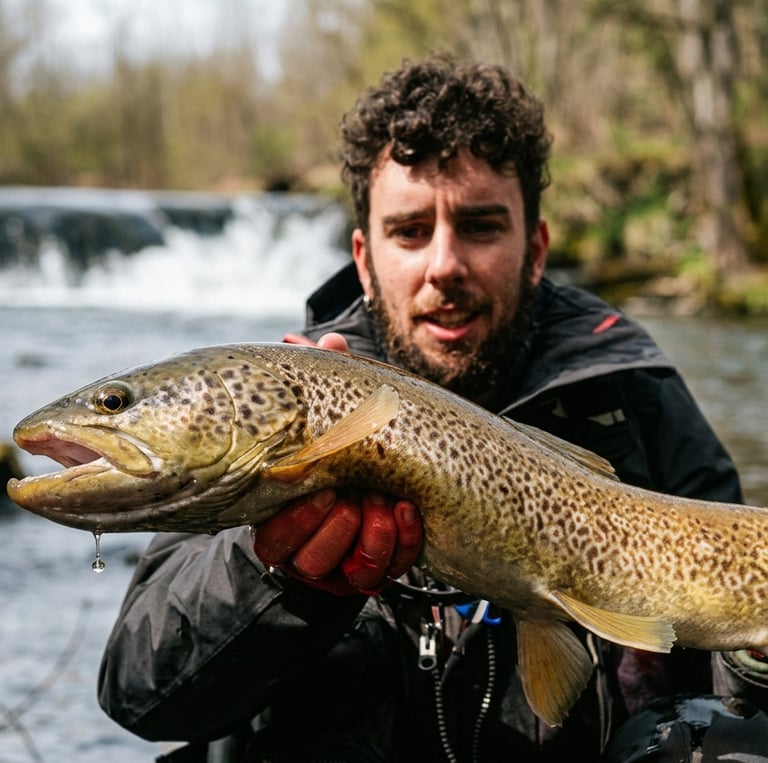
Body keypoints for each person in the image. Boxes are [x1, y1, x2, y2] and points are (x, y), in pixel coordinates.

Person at [98, 55, 768, 762]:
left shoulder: (635, 400)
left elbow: (718, 683)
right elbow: (140, 692)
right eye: (410, 231)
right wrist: (274, 574)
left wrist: (754, 663)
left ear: (536, 249)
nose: (444, 264)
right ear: (363, 258)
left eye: (480, 226)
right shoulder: (274, 408)